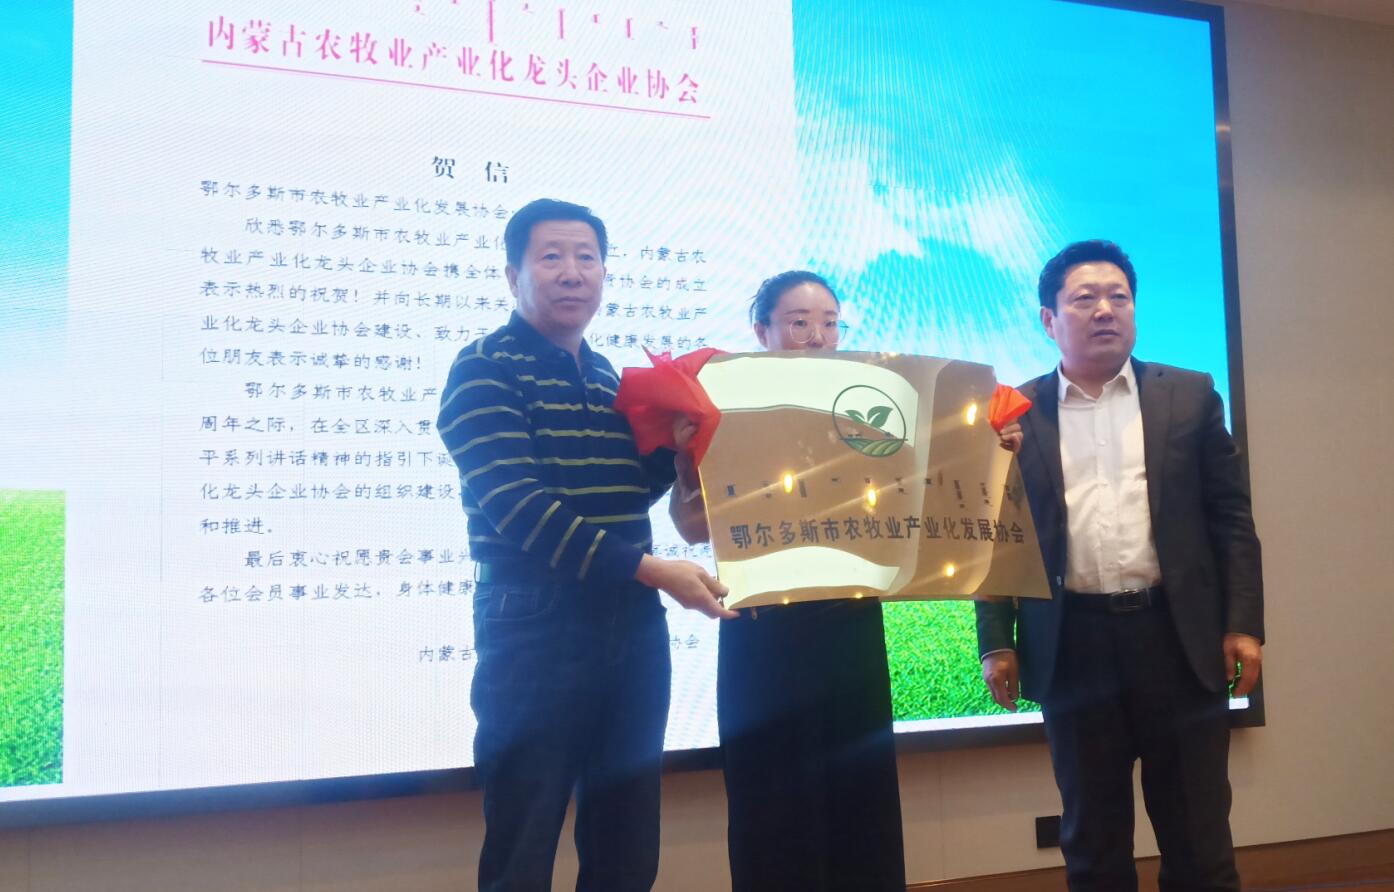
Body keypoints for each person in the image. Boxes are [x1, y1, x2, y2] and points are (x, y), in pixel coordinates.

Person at [437, 198, 735, 892]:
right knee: (525, 834)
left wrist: (681, 448)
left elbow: (627, 491)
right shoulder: (483, 368)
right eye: (551, 257)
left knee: (626, 837)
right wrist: (652, 569)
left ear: (603, 272)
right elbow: (520, 509)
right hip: (534, 621)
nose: (572, 272)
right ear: (513, 275)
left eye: (586, 257)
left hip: (630, 623)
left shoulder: (610, 382)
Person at [975, 240, 1265, 892]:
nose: (1105, 310)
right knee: (1094, 842)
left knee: (1199, 839)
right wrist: (996, 639)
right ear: (1048, 319)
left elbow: (1231, 519)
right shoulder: (1012, 413)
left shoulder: (1189, 396)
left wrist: (1243, 623)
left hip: (1176, 641)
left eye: (1119, 297)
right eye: (1085, 299)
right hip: (1072, 644)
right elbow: (993, 534)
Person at [670, 270, 907, 891]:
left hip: (851, 629)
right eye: (799, 323)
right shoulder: (724, 409)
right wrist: (688, 459)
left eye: (829, 323)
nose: (817, 336)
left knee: (861, 802)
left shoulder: (866, 411)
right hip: (763, 634)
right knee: (772, 809)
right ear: (762, 331)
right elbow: (690, 527)